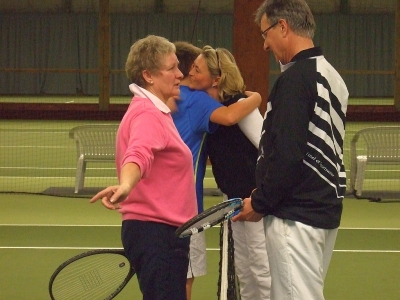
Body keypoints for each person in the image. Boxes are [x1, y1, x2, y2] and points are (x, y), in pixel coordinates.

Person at [232, 1, 349, 300]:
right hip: (322, 211)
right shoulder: (333, 77)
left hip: (296, 216)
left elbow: (286, 154)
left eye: (265, 34)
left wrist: (260, 202)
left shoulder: (295, 79)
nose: (264, 46)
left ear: (282, 26)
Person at [89, 35, 197, 300]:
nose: (180, 74)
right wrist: (126, 185)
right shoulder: (147, 114)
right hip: (157, 234)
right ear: (148, 75)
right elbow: (138, 154)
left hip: (164, 233)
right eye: (171, 68)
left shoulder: (155, 111)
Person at [170, 41, 263, 300]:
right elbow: (228, 121)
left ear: (216, 78)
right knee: (245, 269)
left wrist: (264, 193)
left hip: (254, 201)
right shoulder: (204, 106)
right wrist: (255, 97)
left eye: (197, 70)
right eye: (192, 68)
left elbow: (270, 150)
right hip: (227, 202)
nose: (190, 75)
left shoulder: (233, 106)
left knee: (260, 268)